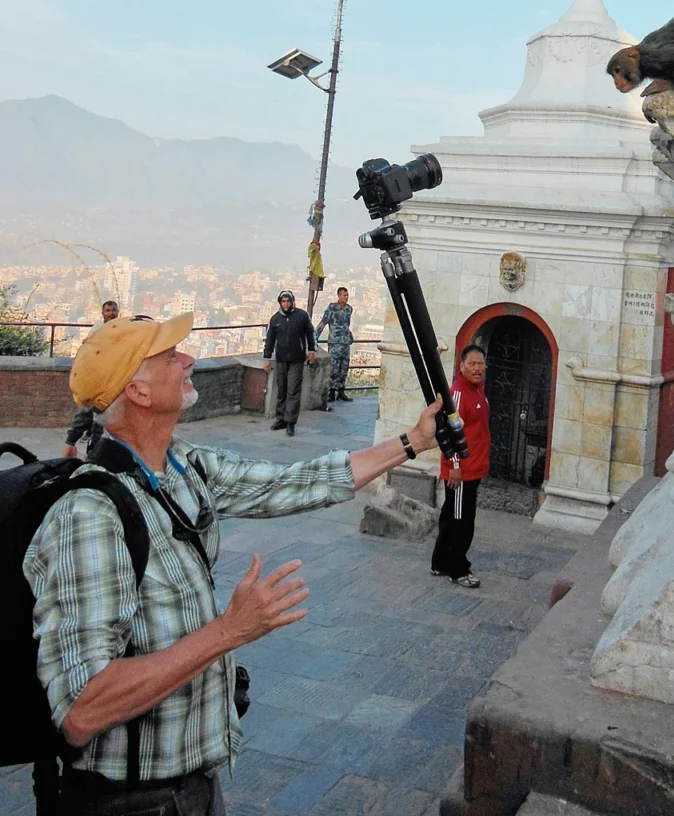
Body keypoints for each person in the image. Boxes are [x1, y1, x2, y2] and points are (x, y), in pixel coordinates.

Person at [23, 312, 440, 816]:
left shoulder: (182, 467)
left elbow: (290, 482)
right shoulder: (88, 516)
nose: (189, 359)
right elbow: (82, 708)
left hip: (192, 787)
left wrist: (411, 442)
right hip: (130, 803)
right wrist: (229, 632)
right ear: (138, 390)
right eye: (170, 356)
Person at [430, 344, 491, 589]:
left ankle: (440, 562)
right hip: (462, 471)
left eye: (481, 364)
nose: (477, 368)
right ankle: (458, 569)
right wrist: (454, 465)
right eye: (472, 364)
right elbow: (449, 432)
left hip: (473, 467)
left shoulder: (478, 391)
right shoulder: (457, 393)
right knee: (461, 520)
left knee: (450, 516)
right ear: (462, 367)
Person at [62, 300, 120, 459]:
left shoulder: (122, 328)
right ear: (103, 313)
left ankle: (93, 448)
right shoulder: (97, 329)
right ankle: (73, 444)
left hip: (115, 375)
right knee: (89, 408)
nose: (111, 313)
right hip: (98, 374)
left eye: (113, 310)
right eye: (108, 310)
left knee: (102, 415)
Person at [262, 291, 316, 437]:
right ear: (280, 303)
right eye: (283, 301)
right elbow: (270, 340)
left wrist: (311, 351)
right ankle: (281, 418)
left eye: (288, 301)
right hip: (281, 359)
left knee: (293, 390)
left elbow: (310, 333)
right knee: (282, 390)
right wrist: (267, 358)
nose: (286, 304)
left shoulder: (301, 316)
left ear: (292, 301)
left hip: (297, 359)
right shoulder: (275, 319)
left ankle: (291, 422)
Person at [315, 286, 354, 402]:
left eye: (347, 295)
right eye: (344, 295)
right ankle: (331, 392)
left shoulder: (349, 309)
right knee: (334, 367)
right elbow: (324, 322)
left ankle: (341, 391)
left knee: (344, 367)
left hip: (345, 342)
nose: (346, 297)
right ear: (339, 295)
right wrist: (314, 337)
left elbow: (347, 325)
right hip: (335, 342)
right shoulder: (332, 308)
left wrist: (350, 336)